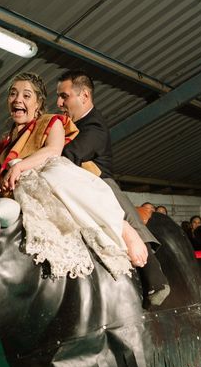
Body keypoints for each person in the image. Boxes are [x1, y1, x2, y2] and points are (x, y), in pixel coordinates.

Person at [0, 72, 134, 280]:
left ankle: (127, 233)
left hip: (54, 188)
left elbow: (54, 151)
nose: (18, 99)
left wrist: (19, 167)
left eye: (26, 95)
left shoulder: (51, 122)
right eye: (13, 94)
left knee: (59, 179)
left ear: (38, 103)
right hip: (17, 197)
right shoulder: (6, 142)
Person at [56, 69, 169, 305]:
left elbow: (68, 155)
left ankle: (153, 273)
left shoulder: (94, 127)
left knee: (123, 210)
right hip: (74, 183)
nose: (59, 103)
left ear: (84, 96)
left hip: (99, 183)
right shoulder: (66, 124)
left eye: (64, 96)